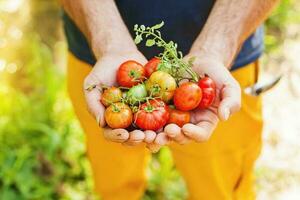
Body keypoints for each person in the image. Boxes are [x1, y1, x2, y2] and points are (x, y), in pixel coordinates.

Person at [61, 0, 279, 199]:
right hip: (101, 58)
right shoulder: (111, 93)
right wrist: (108, 43)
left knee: (221, 185)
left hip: (221, 65)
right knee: (113, 178)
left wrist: (215, 47)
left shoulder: (205, 88)